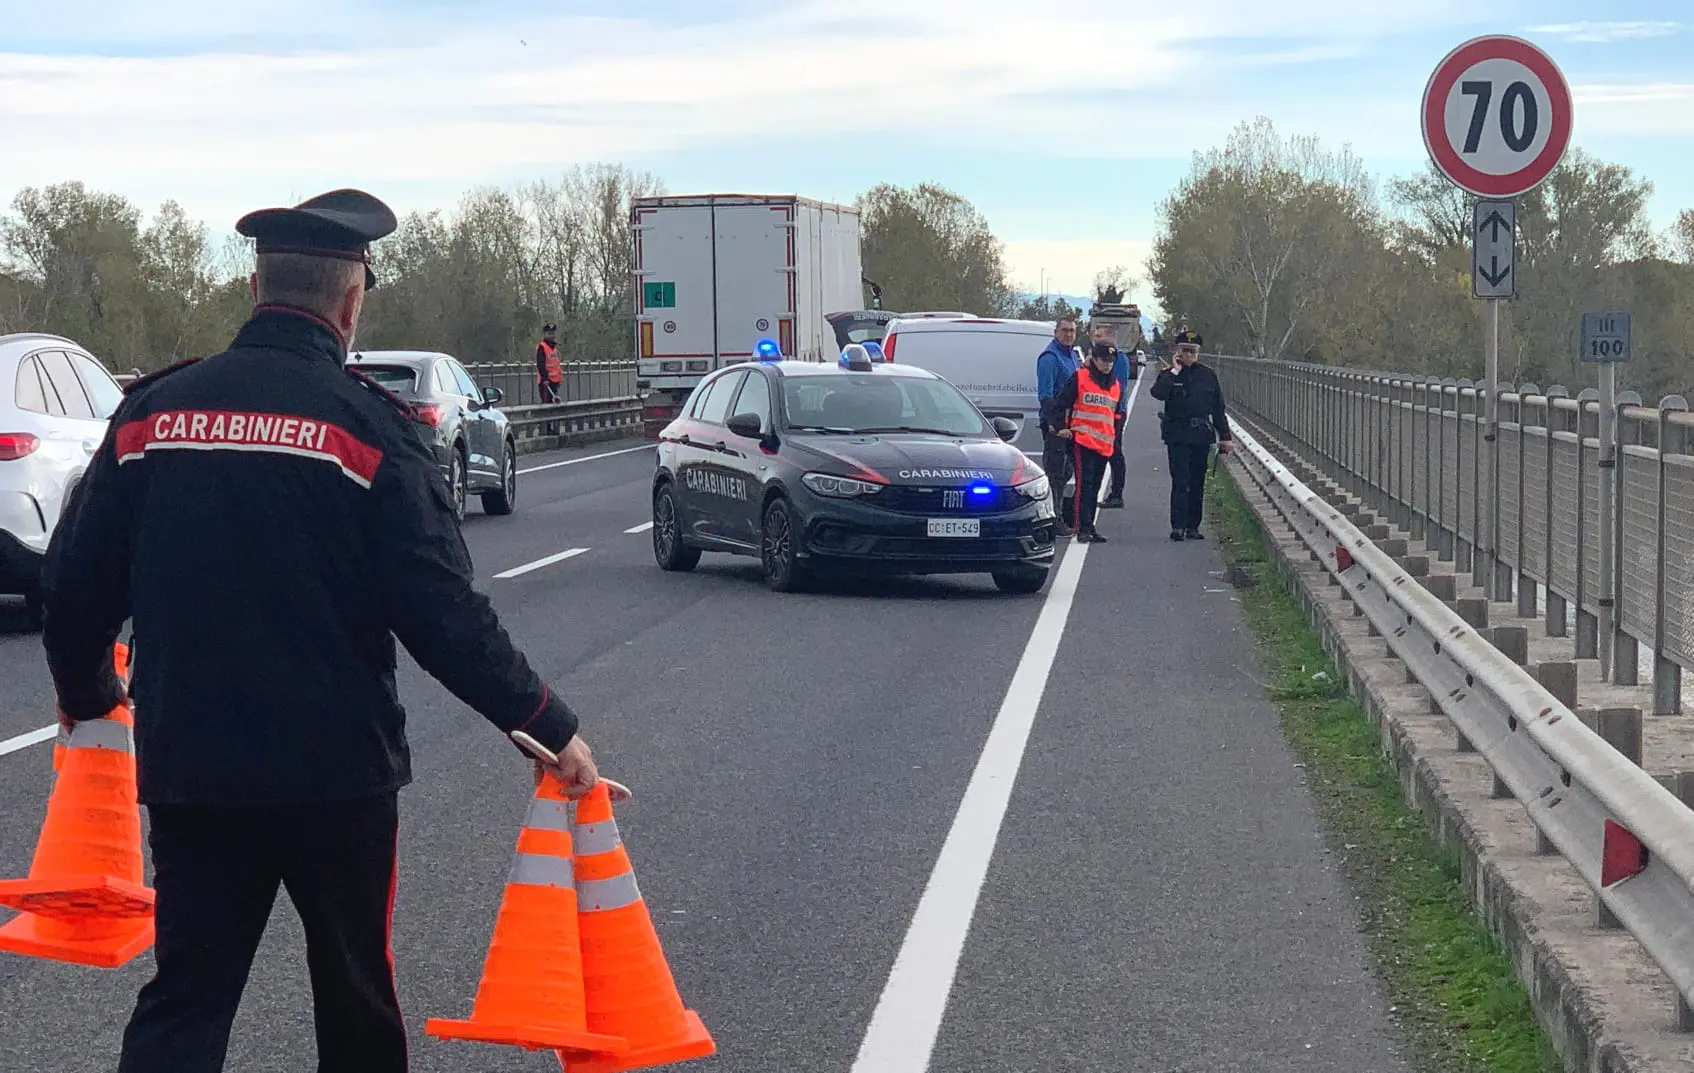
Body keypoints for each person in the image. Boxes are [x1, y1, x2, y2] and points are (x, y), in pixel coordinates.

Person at [37, 188, 599, 1073]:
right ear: (351, 299)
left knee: (185, 997)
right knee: (354, 996)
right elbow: (443, 612)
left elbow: (72, 584)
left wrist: (86, 690)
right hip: (335, 777)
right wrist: (544, 720)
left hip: (195, 768)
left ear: (256, 287)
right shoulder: (371, 428)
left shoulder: (152, 415)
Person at [1149, 328, 1234, 542]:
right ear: (1178, 352)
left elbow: (1218, 407)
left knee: (1197, 482)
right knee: (1180, 481)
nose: (1189, 355)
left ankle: (1193, 526)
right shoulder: (1169, 375)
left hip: (1200, 435)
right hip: (1177, 435)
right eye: (1185, 351)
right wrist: (1174, 371)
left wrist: (1225, 437)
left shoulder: (1207, 375)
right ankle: (1177, 526)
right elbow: (1158, 393)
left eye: (1193, 351)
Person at [1051, 338, 1122, 543]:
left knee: (1096, 486)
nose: (1107, 365)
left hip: (1104, 444)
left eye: (1110, 361)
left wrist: (1115, 439)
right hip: (1082, 441)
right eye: (1103, 360)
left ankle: (1090, 527)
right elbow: (1060, 404)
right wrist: (1061, 428)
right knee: (1084, 485)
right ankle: (1081, 528)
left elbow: (1115, 415)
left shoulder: (1115, 384)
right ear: (1094, 358)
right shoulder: (1080, 378)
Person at [1035, 317, 1081, 534]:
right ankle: (1053, 520)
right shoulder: (1050, 358)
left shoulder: (1072, 355)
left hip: (1071, 425)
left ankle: (1062, 514)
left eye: (1072, 330)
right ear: (1056, 332)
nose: (1068, 334)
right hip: (1056, 425)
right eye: (1064, 330)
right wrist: (1056, 424)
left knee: (1066, 471)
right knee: (1055, 473)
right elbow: (1046, 395)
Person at [1087, 321, 1130, 510]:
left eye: (1099, 337)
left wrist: (1116, 412)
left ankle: (1116, 493)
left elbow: (1116, 387)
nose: (1095, 340)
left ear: (1110, 337)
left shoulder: (1118, 359)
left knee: (1114, 452)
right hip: (1102, 412)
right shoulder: (1096, 356)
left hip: (1114, 412)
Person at [536, 322, 562, 402]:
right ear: (545, 334)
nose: (552, 336)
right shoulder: (542, 347)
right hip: (546, 382)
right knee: (547, 404)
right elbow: (541, 364)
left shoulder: (553, 347)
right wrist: (545, 379)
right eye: (549, 333)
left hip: (555, 381)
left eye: (553, 333)